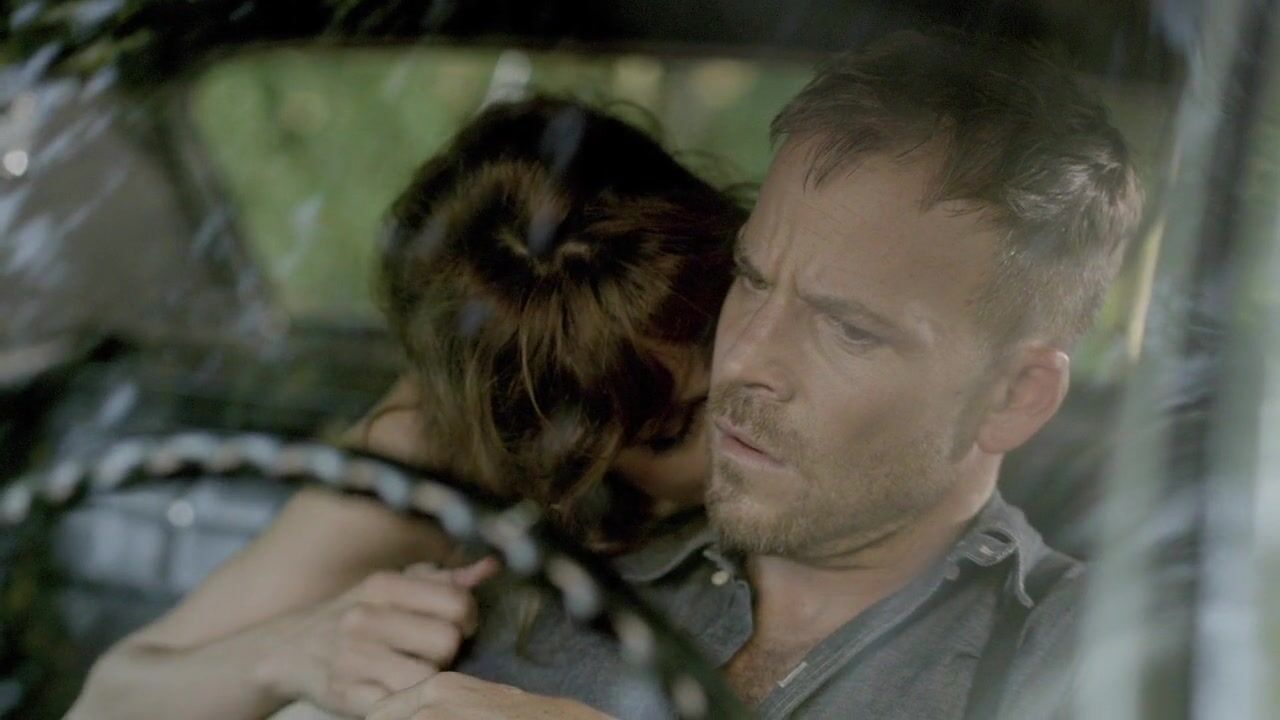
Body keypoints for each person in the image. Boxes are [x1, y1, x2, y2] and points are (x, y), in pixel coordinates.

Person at [365, 30, 1144, 720]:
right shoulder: (549, 576)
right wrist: (313, 641)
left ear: (1014, 397)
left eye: (849, 329)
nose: (740, 360)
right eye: (751, 279)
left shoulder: (1093, 663)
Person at [65, 97, 747, 720]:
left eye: (728, 324)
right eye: (678, 426)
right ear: (554, 457)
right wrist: (289, 650)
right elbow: (109, 705)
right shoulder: (431, 456)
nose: (751, 393)